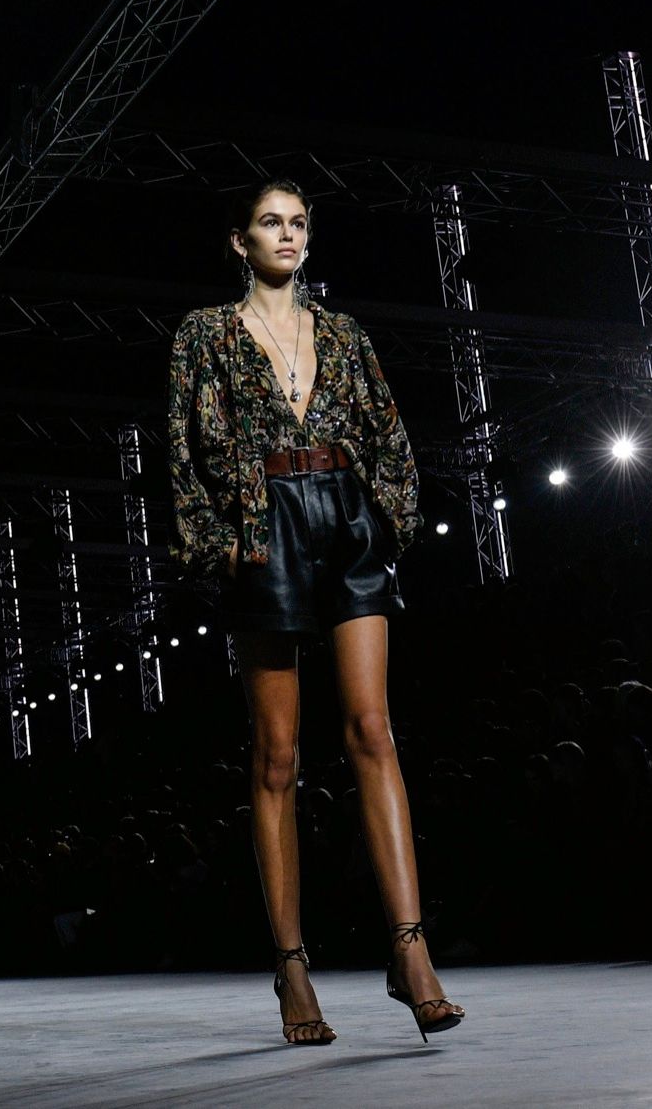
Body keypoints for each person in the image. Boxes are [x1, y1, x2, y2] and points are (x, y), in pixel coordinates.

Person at [166, 179, 464, 1045]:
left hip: (346, 518)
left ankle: (410, 949)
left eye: (298, 223)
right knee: (277, 754)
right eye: (271, 222)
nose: (288, 235)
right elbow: (181, 452)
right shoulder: (204, 334)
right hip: (265, 528)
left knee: (372, 728)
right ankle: (292, 965)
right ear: (239, 240)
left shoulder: (343, 333)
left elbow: (388, 430)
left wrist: (388, 518)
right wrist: (218, 547)